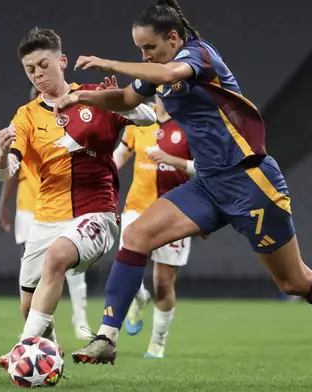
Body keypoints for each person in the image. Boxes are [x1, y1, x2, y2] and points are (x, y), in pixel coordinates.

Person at [56, 0, 312, 365]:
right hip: (208, 184)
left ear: (173, 38)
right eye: (140, 50)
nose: (145, 56)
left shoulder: (199, 55)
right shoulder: (159, 68)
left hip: (250, 180)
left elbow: (170, 76)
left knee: (294, 282)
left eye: (149, 48)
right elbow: (125, 98)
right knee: (136, 236)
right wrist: (80, 95)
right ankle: (107, 338)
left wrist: (108, 63)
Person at [0, 27, 156, 368]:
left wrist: (115, 102)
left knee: (57, 257)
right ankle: (48, 358)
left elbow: (148, 116)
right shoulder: (26, 116)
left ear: (62, 61)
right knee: (29, 308)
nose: (37, 74)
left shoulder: (93, 95)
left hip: (95, 212)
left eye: (43, 64)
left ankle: (22, 350)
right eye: (30, 69)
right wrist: (0, 155)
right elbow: (8, 168)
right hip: (46, 217)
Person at [0, 86, 93, 344]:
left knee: (70, 266)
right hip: (30, 210)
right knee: (32, 275)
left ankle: (80, 318)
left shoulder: (65, 133)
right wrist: (2, 206)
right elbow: (10, 174)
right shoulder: (25, 129)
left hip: (65, 207)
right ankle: (45, 338)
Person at [114, 94, 196, 358]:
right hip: (136, 209)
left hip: (174, 213)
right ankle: (138, 298)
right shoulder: (139, 120)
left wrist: (173, 161)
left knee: (163, 283)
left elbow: (205, 168)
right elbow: (119, 156)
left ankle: (158, 342)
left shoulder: (191, 124)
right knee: (127, 268)